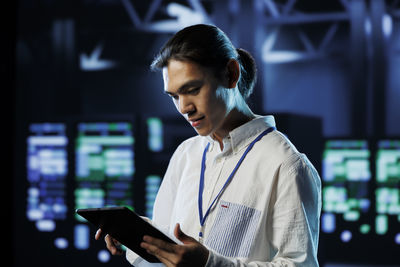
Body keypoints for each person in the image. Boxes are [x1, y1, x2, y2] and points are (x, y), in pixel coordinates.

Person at [95, 24, 321, 267]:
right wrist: (138, 235)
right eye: (173, 96)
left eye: (192, 90)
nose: (183, 107)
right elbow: (168, 248)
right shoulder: (186, 154)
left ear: (231, 74)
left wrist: (209, 264)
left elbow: (300, 265)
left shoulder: (286, 166)